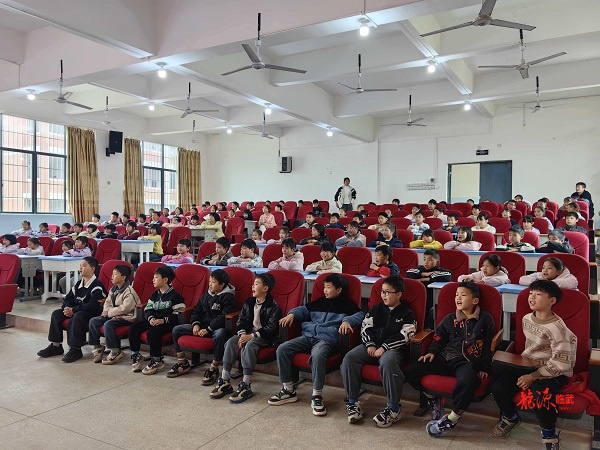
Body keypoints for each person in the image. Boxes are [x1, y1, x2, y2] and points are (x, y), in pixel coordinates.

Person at [491, 280, 576, 449]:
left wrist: (533, 376)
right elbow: (531, 349)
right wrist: (527, 370)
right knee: (498, 387)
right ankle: (510, 417)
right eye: (531, 293)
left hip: (554, 370)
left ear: (552, 301)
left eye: (538, 294)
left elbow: (562, 363)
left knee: (541, 396)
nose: (531, 297)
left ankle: (549, 433)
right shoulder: (527, 318)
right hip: (529, 365)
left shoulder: (558, 329)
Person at [404, 282, 495, 437]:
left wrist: (484, 367)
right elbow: (438, 338)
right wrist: (432, 352)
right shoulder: (449, 318)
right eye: (456, 295)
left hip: (466, 361)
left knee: (469, 380)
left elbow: (488, 346)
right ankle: (434, 400)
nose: (458, 298)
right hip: (445, 357)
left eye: (463, 295)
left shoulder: (485, 319)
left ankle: (453, 417)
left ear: (475, 301)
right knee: (411, 370)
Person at [268, 273, 364, 416]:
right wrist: (292, 314)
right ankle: (288, 389)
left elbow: (360, 315)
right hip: (308, 337)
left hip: (327, 340)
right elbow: (303, 310)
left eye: (328, 287)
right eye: (324, 287)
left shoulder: (347, 305)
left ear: (339, 290)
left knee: (318, 354)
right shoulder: (320, 302)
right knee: (282, 349)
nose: (325, 290)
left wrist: (347, 321)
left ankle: (317, 395)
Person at [341, 275, 416, 427]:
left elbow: (406, 335)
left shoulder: (407, 313)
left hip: (393, 349)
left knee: (388, 362)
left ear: (399, 294)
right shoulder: (376, 309)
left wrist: (384, 347)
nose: (383, 295)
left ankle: (394, 409)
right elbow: (365, 327)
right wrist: (370, 344)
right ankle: (353, 402)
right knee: (350, 358)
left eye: (388, 292)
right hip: (373, 346)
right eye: (382, 291)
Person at [211, 273, 282, 403]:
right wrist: (242, 335)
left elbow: (271, 328)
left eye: (256, 284)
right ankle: (225, 380)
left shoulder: (273, 306)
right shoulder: (249, 303)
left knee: (250, 346)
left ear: (265, 288)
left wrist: (251, 336)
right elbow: (241, 321)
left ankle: (246, 384)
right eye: (253, 284)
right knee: (230, 342)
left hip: (264, 337)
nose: (252, 286)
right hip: (247, 334)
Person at [167, 269, 236, 381]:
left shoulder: (228, 298)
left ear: (222, 284)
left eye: (213, 282)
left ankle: (214, 367)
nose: (210, 284)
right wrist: (196, 324)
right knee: (176, 330)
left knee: (221, 334)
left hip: (216, 328)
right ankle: (182, 363)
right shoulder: (206, 296)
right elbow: (196, 311)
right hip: (202, 326)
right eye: (209, 281)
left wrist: (208, 329)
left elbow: (223, 317)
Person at [37, 257, 107, 363]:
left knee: (78, 316)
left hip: (91, 314)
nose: (80, 268)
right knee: (56, 314)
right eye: (80, 266)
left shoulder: (97, 286)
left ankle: (75, 349)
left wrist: (73, 310)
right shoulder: (78, 284)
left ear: (92, 268)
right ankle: (56, 346)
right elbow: (68, 299)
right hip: (77, 310)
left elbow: (92, 306)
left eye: (83, 266)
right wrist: (67, 308)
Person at [129, 266, 185, 375]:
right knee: (134, 328)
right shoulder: (155, 294)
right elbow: (148, 309)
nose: (153, 280)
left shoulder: (175, 296)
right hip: (155, 320)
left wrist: (163, 320)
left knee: (153, 332)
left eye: (156, 277)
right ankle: (136, 355)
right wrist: (151, 318)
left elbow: (178, 315)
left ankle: (157, 360)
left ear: (165, 279)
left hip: (168, 323)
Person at [88, 265, 140, 364]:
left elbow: (125, 308)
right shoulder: (113, 289)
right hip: (113, 315)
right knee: (93, 321)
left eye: (115, 274)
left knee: (108, 324)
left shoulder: (129, 292)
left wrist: (109, 313)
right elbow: (107, 302)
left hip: (126, 317)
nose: (112, 277)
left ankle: (115, 351)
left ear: (123, 277)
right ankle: (97, 348)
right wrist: (106, 312)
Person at [405, 249, 452, 328]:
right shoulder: (420, 269)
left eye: (430, 260)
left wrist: (424, 279)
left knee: (431, 312)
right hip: (419, 298)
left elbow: (447, 275)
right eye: (424, 259)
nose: (426, 262)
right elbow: (409, 273)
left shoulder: (440, 271)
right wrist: (424, 273)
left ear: (437, 262)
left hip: (432, 299)